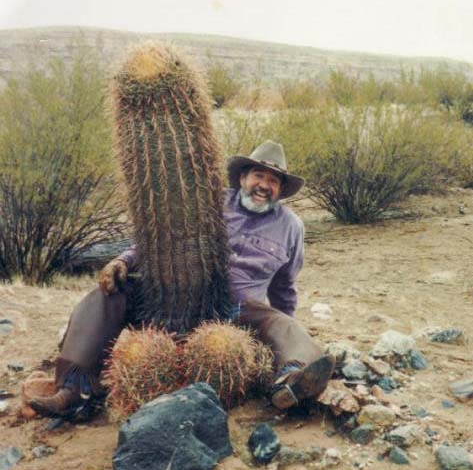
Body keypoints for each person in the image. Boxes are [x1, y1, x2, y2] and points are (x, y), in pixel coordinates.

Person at [29, 140, 335, 418]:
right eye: (259, 175)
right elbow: (163, 235)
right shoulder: (211, 201)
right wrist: (124, 260)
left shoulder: (291, 226)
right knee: (107, 295)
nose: (264, 185)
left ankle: (292, 381)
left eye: (273, 180)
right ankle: (73, 391)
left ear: (281, 189)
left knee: (283, 324)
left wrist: (278, 338)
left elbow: (284, 287)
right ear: (243, 177)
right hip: (178, 293)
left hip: (238, 310)